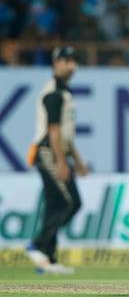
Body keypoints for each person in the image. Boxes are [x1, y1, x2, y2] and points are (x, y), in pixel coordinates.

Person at [25, 46, 89, 274]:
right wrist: (62, 162)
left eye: (73, 61)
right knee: (66, 202)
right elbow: (53, 131)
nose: (71, 65)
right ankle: (38, 245)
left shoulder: (65, 92)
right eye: (65, 61)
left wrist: (77, 160)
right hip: (47, 152)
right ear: (55, 64)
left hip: (57, 152)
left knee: (61, 204)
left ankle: (47, 259)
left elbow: (66, 134)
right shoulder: (53, 92)